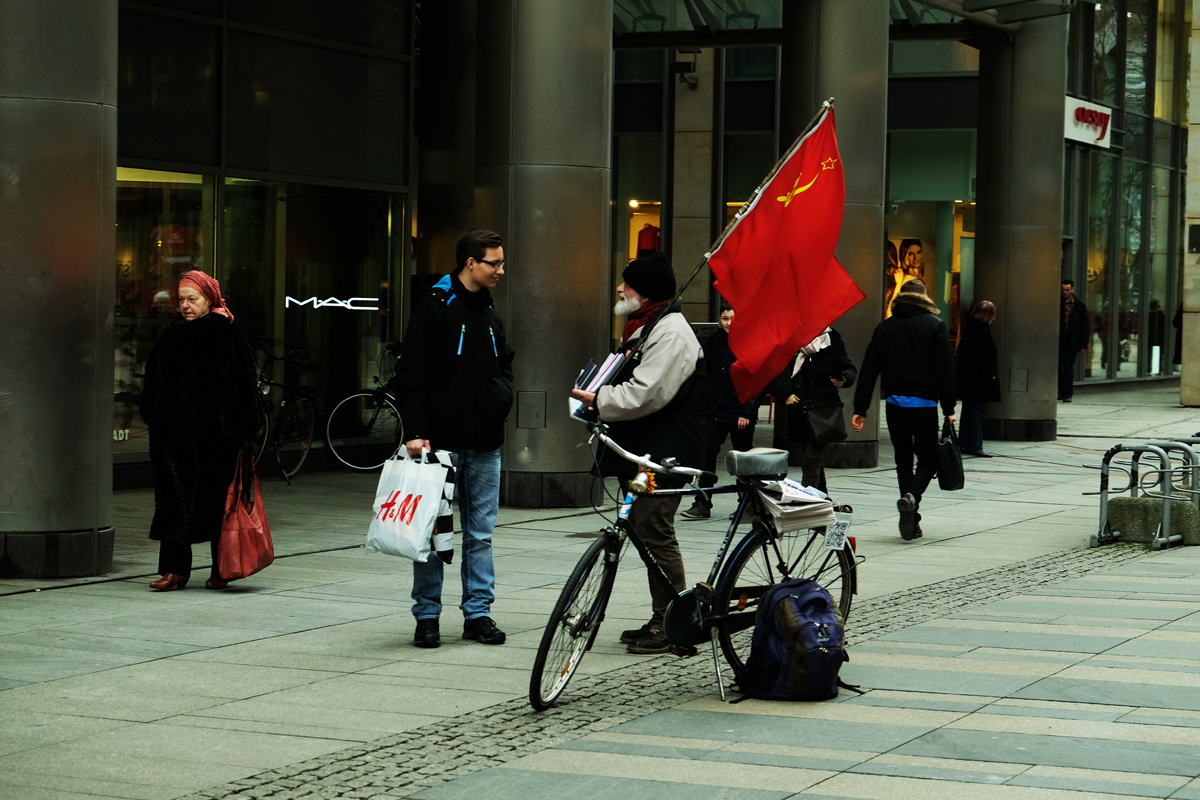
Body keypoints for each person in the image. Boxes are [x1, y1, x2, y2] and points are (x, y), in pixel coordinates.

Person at [572, 252, 705, 655]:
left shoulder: (671, 332)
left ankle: (673, 624)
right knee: (647, 531)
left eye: (627, 283)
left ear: (645, 291)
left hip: (665, 454)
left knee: (654, 531)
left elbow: (647, 392)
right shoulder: (651, 325)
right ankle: (663, 616)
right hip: (648, 450)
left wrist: (599, 400)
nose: (619, 288)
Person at [393, 229, 515, 648]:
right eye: (493, 263)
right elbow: (412, 374)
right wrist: (416, 432)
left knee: (479, 536)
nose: (501, 269)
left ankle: (477, 614)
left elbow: (504, 364)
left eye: (500, 262)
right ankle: (427, 616)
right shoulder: (435, 306)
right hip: (440, 442)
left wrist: (503, 396)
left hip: (484, 443)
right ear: (470, 264)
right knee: (431, 533)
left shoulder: (490, 311)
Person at [139, 270, 259, 591]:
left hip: (217, 440)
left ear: (210, 300)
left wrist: (244, 435)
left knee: (219, 504)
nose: (186, 305)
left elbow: (246, 388)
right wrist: (155, 417)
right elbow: (152, 383)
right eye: (181, 299)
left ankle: (223, 569)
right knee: (173, 500)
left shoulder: (228, 336)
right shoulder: (170, 336)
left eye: (193, 299)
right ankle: (174, 570)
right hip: (174, 438)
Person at [852, 280, 956, 541]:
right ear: (925, 298)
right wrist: (949, 407)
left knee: (902, 460)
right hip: (924, 404)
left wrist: (860, 408)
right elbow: (945, 371)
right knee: (928, 458)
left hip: (895, 404)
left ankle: (910, 514)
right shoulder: (935, 326)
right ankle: (912, 497)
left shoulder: (885, 327)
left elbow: (869, 368)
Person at [681, 301, 759, 521]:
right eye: (725, 318)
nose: (728, 323)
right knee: (707, 453)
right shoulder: (714, 341)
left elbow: (758, 381)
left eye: (733, 319)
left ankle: (747, 503)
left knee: (742, 458)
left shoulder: (750, 342)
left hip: (740, 411)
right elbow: (703, 371)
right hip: (715, 408)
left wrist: (748, 411)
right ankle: (702, 503)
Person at [771, 327, 856, 494]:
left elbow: (848, 367)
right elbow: (769, 373)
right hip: (800, 408)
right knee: (813, 458)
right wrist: (785, 394)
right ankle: (822, 497)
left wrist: (844, 379)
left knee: (812, 457)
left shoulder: (830, 338)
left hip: (824, 409)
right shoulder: (790, 339)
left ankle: (807, 497)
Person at [956, 300, 1000, 458]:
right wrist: (991, 374)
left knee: (968, 411)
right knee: (976, 412)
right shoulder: (982, 331)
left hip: (968, 377)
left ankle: (964, 443)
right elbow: (985, 357)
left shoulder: (970, 328)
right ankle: (975, 445)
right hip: (979, 379)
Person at [1059, 278, 1089, 402]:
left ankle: (1067, 394)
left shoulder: (1080, 307)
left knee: (1068, 367)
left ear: (1072, 290)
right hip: (1060, 341)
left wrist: (1083, 345)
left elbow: (1085, 326)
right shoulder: (1057, 304)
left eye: (1067, 290)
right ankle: (1061, 390)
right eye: (1063, 290)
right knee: (1059, 367)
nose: (1065, 292)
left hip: (1072, 342)